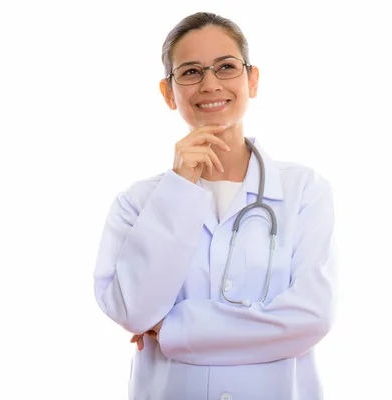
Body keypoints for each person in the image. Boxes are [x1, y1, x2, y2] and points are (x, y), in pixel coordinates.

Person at [93, 11, 337, 400]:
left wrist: (174, 329)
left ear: (251, 79)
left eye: (225, 67)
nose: (209, 84)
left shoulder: (304, 190)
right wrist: (179, 189)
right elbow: (134, 312)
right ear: (168, 92)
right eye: (190, 72)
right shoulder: (137, 204)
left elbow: (311, 317)